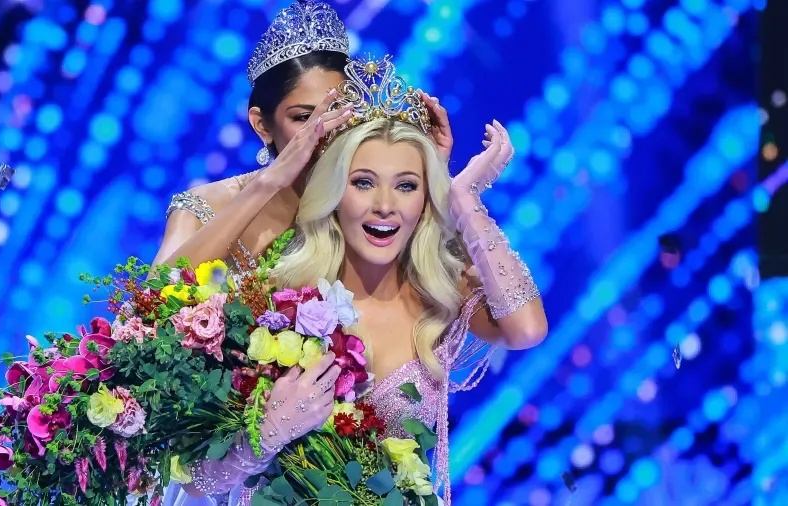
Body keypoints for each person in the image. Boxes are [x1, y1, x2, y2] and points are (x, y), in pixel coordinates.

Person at [263, 55, 549, 505]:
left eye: (406, 186)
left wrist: (463, 199)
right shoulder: (282, 298)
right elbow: (209, 472)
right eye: (363, 183)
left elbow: (528, 329)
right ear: (335, 193)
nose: (384, 205)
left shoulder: (441, 297)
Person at [153, 0, 454, 275]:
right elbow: (150, 304)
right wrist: (269, 183)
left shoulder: (359, 206)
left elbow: (441, 288)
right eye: (303, 117)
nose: (321, 130)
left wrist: (433, 171)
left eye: (336, 112)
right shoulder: (205, 206)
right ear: (262, 125)